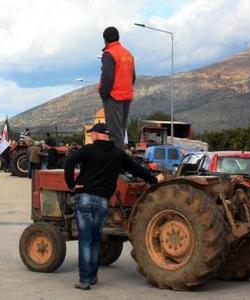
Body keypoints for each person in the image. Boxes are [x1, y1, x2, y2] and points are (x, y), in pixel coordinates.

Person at [64, 123, 163, 290]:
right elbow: (136, 169)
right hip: (103, 201)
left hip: (85, 198)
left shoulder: (88, 150)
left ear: (96, 134)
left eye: (92, 133)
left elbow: (69, 161)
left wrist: (71, 184)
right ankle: (93, 276)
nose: (92, 136)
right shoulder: (118, 153)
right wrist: (154, 179)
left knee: (85, 240)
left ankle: (84, 280)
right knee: (95, 239)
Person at [99, 26, 136, 149]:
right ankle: (120, 162)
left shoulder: (109, 53)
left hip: (113, 98)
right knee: (121, 131)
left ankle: (117, 165)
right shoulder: (128, 54)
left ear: (105, 40)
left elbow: (107, 77)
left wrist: (104, 94)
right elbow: (133, 77)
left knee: (115, 135)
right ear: (118, 37)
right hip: (127, 97)